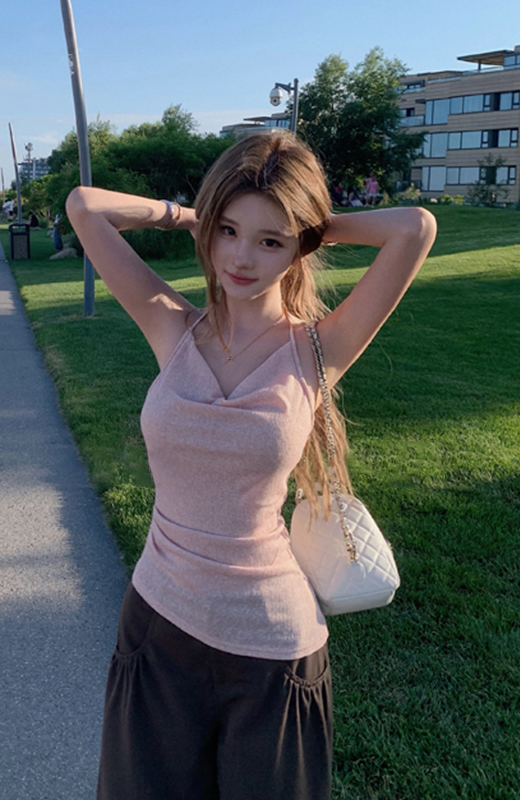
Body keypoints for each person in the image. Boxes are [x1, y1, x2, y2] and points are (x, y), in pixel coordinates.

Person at [66, 130, 436, 800]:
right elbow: (85, 207)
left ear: (298, 247)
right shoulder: (171, 326)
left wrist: (309, 224)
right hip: (158, 627)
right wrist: (191, 214)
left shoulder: (319, 350)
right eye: (228, 231)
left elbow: (413, 228)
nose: (240, 258)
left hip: (271, 649)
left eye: (270, 242)